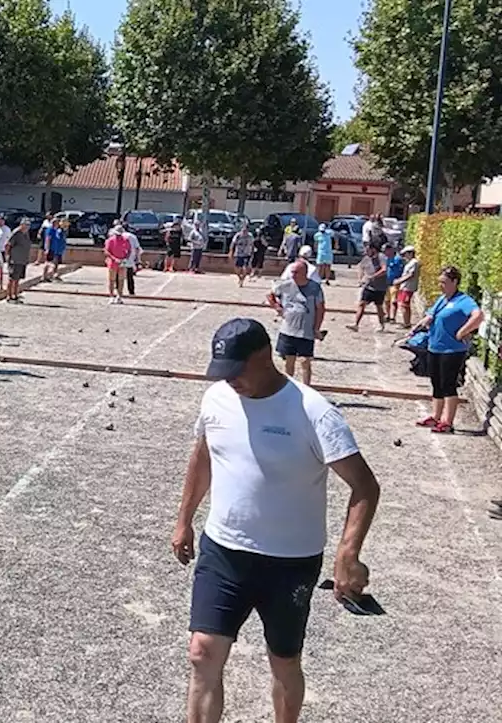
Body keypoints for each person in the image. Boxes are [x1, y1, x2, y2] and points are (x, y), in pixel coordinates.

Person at [173, 317, 380, 723]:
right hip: (224, 551)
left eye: (236, 370)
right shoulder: (216, 398)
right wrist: (184, 518)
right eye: (222, 372)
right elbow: (203, 455)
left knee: (284, 661)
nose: (229, 380)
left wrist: (348, 552)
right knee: (202, 653)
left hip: (290, 562)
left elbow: (365, 486)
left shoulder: (313, 412)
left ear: (264, 358)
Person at [411, 266, 482, 434]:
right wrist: (422, 323)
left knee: (448, 384)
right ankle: (435, 416)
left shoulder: (463, 300)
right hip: (435, 347)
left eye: (444, 282)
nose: (440, 285)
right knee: (436, 383)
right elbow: (431, 315)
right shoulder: (443, 299)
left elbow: (478, 316)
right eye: (439, 282)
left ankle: (447, 421)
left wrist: (463, 332)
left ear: (455, 282)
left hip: (452, 350)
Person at [267, 260, 326, 386]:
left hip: (306, 331)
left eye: (296, 272)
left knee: (305, 361)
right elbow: (270, 295)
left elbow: (320, 308)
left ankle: (307, 387)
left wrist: (317, 328)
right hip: (288, 329)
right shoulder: (286, 285)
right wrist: (277, 307)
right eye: (292, 272)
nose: (293, 274)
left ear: (304, 273)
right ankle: (288, 386)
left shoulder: (315, 288)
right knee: (289, 361)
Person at [345, 242, 388, 332]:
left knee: (379, 306)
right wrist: (361, 278)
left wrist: (374, 276)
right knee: (362, 303)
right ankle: (356, 324)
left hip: (380, 287)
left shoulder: (381, 257)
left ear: (373, 249)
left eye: (368, 249)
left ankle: (381, 325)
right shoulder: (366, 258)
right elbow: (360, 267)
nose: (366, 251)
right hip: (368, 286)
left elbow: (384, 269)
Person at [3, 218, 31, 303]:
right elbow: (7, 245)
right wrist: (7, 256)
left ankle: (15, 295)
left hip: (22, 260)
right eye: (26, 225)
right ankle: (9, 296)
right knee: (12, 278)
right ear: (21, 225)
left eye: (28, 225)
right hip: (15, 259)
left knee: (18, 278)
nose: (27, 227)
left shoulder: (26, 233)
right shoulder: (16, 233)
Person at [391, 246, 420, 328]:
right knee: (404, 305)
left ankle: (406, 323)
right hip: (405, 286)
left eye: (406, 254)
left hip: (408, 287)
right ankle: (406, 322)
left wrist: (399, 281)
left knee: (404, 305)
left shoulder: (414, 262)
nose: (404, 256)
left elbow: (410, 275)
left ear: (410, 253)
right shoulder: (410, 262)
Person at [104, 225, 131, 304]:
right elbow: (107, 252)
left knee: (121, 280)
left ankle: (119, 296)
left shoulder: (126, 240)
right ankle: (111, 296)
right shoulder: (110, 240)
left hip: (122, 262)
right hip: (113, 263)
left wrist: (126, 258)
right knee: (111, 280)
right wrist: (114, 259)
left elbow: (129, 250)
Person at [381, 244, 404, 322]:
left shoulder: (398, 259)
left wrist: (399, 280)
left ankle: (393, 317)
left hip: (395, 283)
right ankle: (387, 315)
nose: (384, 252)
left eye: (385, 251)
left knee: (394, 301)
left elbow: (401, 270)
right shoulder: (385, 259)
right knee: (386, 300)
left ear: (390, 249)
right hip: (386, 283)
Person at [229, 223, 255, 287]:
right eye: (243, 230)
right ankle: (239, 277)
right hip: (239, 253)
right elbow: (233, 244)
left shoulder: (250, 236)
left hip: (247, 253)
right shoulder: (238, 235)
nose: (244, 231)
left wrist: (252, 252)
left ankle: (242, 280)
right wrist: (231, 251)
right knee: (237, 267)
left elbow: (252, 245)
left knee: (245, 268)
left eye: (246, 230)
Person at [42, 217, 67, 282]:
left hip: (55, 249)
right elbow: (48, 239)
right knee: (48, 263)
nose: (58, 223)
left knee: (54, 262)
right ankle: (44, 276)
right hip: (50, 248)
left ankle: (49, 276)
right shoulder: (50, 229)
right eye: (57, 222)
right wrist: (47, 248)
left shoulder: (56, 230)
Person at [123, 224, 142, 296]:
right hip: (130, 258)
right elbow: (137, 248)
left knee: (118, 274)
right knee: (130, 276)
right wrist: (138, 259)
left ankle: (118, 289)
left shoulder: (118, 236)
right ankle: (131, 291)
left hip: (119, 258)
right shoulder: (133, 236)